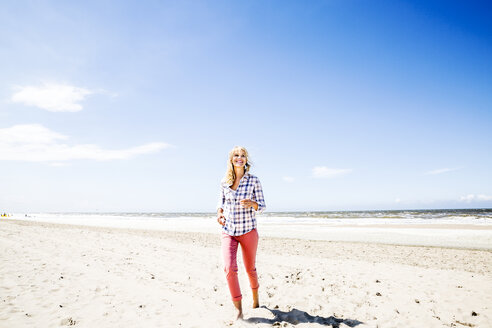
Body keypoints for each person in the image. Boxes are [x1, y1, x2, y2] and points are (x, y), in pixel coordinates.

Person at [216, 146, 266, 320]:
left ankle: (255, 296)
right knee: (229, 268)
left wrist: (252, 203)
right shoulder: (224, 181)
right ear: (231, 159)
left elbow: (262, 206)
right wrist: (220, 214)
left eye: (243, 155)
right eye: (236, 155)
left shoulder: (254, 180)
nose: (240, 158)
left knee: (250, 268)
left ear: (246, 160)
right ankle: (238, 310)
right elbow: (220, 204)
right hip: (228, 231)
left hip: (248, 231)